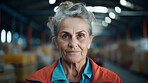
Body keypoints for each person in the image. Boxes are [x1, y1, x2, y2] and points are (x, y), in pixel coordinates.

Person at [26, 1, 121, 83]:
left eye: (80, 35)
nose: (73, 44)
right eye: (65, 36)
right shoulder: (36, 81)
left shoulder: (112, 80)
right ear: (56, 42)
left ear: (90, 41)